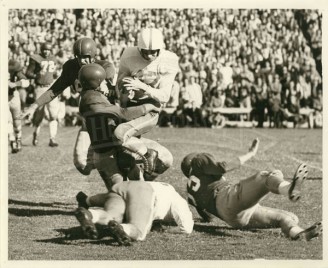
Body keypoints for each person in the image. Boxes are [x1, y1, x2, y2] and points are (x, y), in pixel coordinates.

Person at [180, 138, 322, 241]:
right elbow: (222, 167)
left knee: (290, 217)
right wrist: (250, 153)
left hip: (233, 219)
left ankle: (298, 233)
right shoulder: (199, 161)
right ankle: (290, 189)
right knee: (267, 176)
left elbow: (208, 217)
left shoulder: (190, 191)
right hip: (228, 198)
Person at [20, 37, 116, 174]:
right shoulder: (71, 67)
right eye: (79, 57)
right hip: (88, 120)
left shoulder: (101, 66)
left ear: (94, 56)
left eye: (86, 57)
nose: (82, 60)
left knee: (115, 162)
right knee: (81, 164)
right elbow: (54, 90)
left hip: (108, 118)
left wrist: (105, 80)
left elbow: (109, 67)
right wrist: (34, 106)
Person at [77, 63, 168, 189]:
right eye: (103, 81)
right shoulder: (92, 100)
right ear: (95, 83)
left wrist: (128, 94)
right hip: (106, 153)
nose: (106, 84)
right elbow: (123, 114)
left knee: (138, 186)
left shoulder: (93, 94)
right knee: (119, 191)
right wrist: (149, 106)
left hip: (119, 147)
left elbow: (116, 97)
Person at [115, 28, 180, 174]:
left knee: (119, 135)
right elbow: (119, 83)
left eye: (153, 51)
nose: (150, 55)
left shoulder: (169, 59)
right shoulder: (129, 54)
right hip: (129, 108)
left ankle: (150, 154)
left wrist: (141, 86)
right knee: (123, 158)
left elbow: (164, 96)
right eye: (145, 51)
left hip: (150, 110)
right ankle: (154, 168)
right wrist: (125, 89)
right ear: (139, 48)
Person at [74, 180, 194, 246]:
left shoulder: (163, 186)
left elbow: (103, 197)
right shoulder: (178, 199)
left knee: (111, 215)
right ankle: (123, 229)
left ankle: (91, 215)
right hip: (145, 192)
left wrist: (87, 200)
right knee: (140, 233)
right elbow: (187, 228)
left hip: (124, 185)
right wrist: (167, 230)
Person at [25, 42, 61, 147]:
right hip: (40, 88)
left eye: (48, 50)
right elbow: (28, 73)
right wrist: (36, 75)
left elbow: (52, 73)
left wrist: (56, 74)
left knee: (53, 114)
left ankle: (52, 138)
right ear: (41, 50)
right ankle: (36, 135)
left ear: (50, 50)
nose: (46, 52)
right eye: (44, 50)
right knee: (39, 115)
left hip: (51, 88)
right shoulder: (35, 58)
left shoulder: (53, 58)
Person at [8, 59, 30, 153]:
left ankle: (18, 139)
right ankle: (12, 141)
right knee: (7, 120)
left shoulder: (12, 66)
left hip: (13, 97)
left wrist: (16, 83)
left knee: (17, 121)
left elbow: (26, 82)